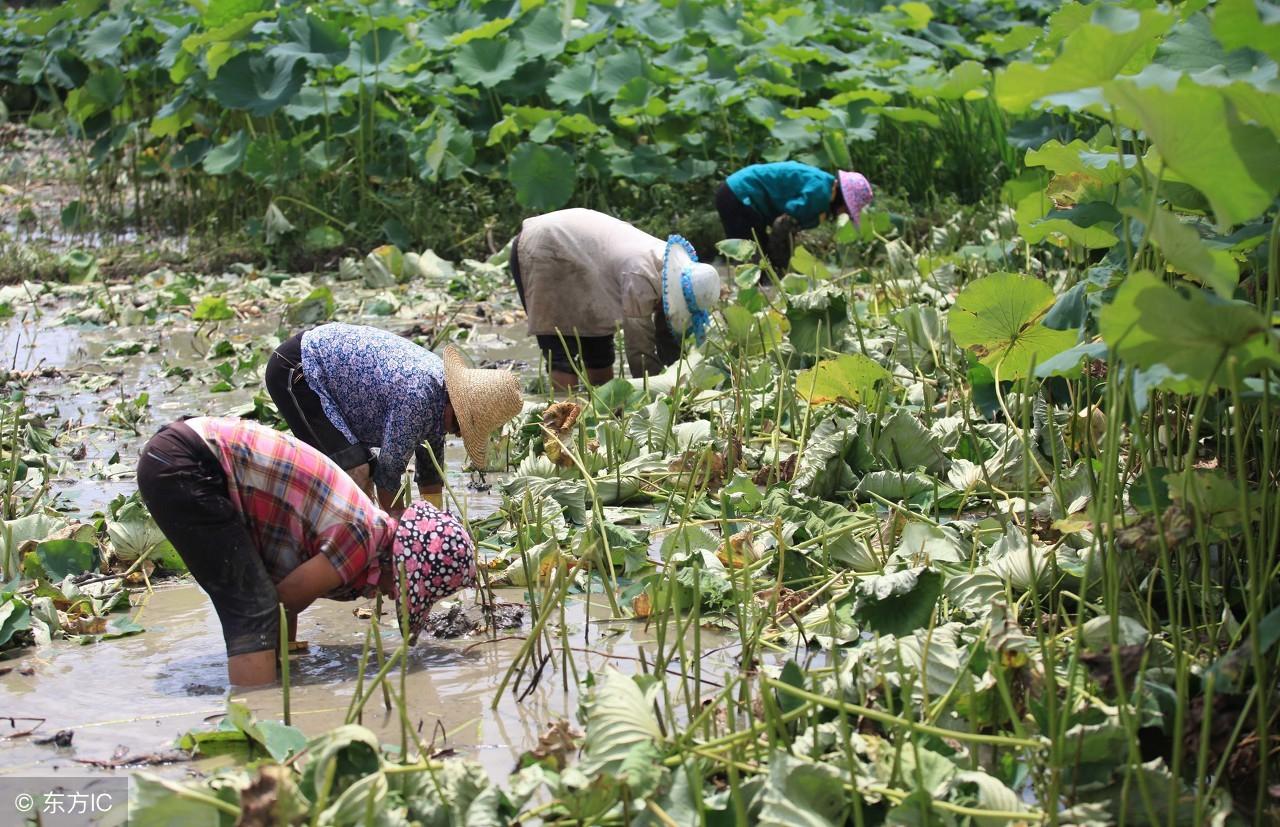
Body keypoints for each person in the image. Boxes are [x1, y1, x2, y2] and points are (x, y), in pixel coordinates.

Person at [136, 416, 476, 686]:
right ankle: (256, 715)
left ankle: (260, 687)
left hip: (182, 453)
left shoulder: (366, 522)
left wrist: (284, 658)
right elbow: (285, 600)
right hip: (192, 465)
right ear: (399, 561)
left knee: (259, 606)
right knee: (254, 612)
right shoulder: (362, 537)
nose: (390, 595)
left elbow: (287, 590)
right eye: (401, 590)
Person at [264, 325, 522, 513]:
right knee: (356, 470)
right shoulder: (418, 397)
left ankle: (361, 539)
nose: (456, 433)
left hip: (328, 375)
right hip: (298, 370)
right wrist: (400, 532)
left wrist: (438, 519)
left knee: (360, 468)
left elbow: (430, 470)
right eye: (460, 425)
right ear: (454, 406)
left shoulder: (440, 396)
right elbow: (388, 478)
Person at [508, 209, 721, 389]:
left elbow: (667, 335)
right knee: (563, 353)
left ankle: (594, 415)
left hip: (587, 260)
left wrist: (681, 373)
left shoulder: (669, 266)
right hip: (546, 248)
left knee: (599, 351)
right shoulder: (642, 275)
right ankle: (564, 419)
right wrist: (656, 392)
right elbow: (640, 351)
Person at [715, 162, 873, 275]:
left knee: (759, 262)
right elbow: (782, 226)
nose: (843, 213)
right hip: (738, 196)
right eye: (846, 209)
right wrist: (783, 270)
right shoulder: (820, 193)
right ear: (843, 199)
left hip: (738, 195)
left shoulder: (823, 185)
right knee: (750, 260)